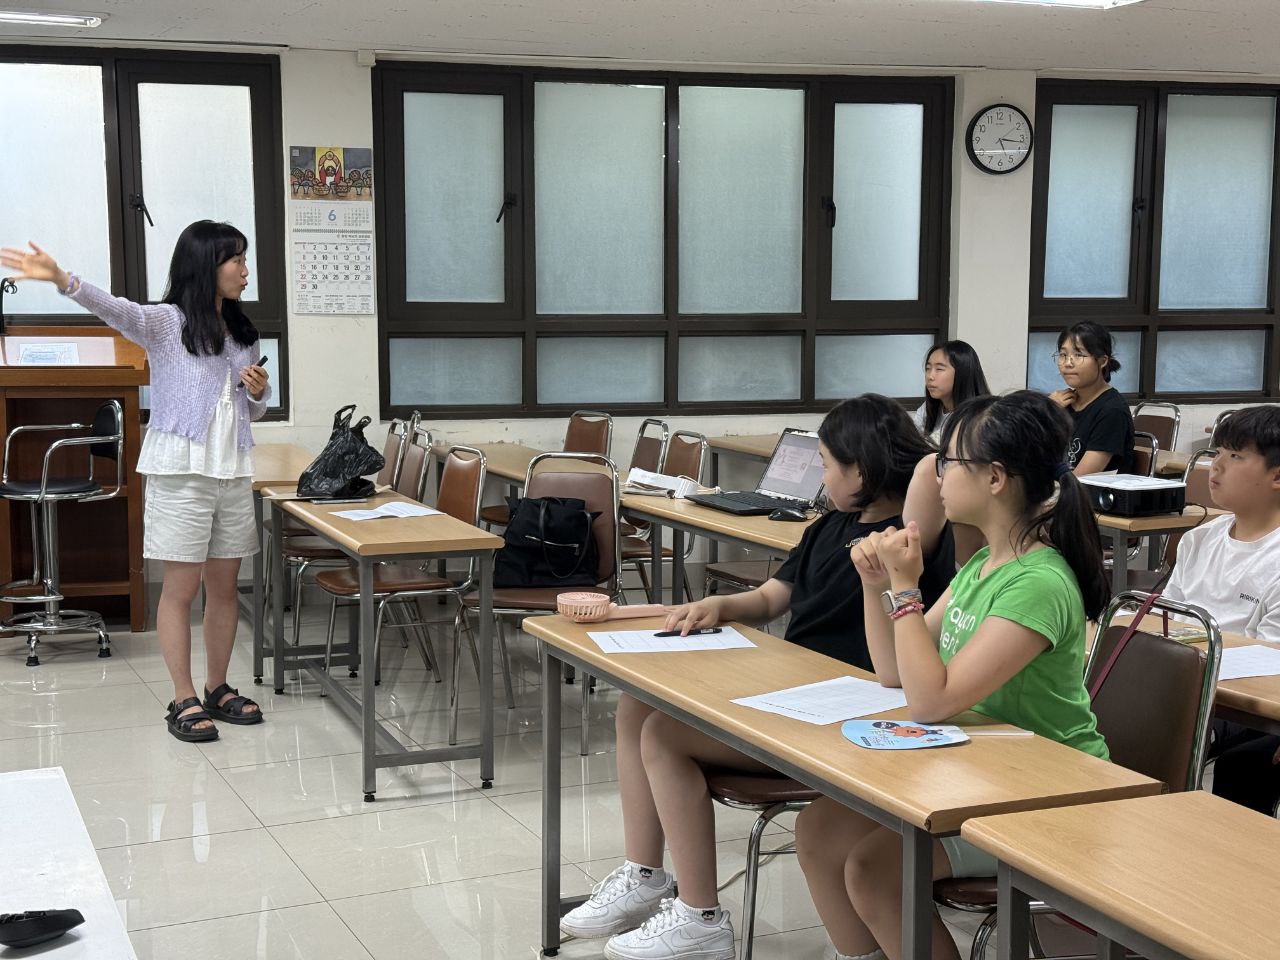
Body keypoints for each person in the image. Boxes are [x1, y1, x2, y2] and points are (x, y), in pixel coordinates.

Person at [560, 395, 954, 960]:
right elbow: (777, 595)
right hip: (803, 689)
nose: (819, 476)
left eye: (825, 463)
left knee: (664, 735)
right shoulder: (830, 527)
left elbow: (927, 475)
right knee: (635, 707)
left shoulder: (908, 544)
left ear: (860, 469)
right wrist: (723, 606)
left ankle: (699, 915)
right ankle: (644, 874)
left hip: (853, 707)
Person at [795, 390, 1110, 960]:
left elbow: (930, 703)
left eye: (949, 462)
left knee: (873, 870)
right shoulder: (983, 565)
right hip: (979, 771)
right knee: (819, 831)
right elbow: (894, 672)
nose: (935, 474)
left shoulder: (1037, 582)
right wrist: (876, 586)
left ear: (994, 478)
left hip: (1048, 793)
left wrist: (907, 589)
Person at [1, 223, 271, 743]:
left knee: (224, 589)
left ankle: (218, 687)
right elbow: (114, 308)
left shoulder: (244, 333)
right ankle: (182, 696)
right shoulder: (167, 324)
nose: (244, 268)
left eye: (244, 258)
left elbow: (249, 411)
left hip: (231, 471)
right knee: (182, 588)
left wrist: (257, 393)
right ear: (205, 265)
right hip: (179, 473)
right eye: (235, 259)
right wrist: (62, 278)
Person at [1162, 405, 1280, 815]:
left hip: (1234, 700)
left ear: (1277, 476)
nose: (1216, 466)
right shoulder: (1201, 539)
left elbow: (1266, 666)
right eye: (1218, 453)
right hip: (1185, 682)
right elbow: (1164, 618)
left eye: (1236, 456)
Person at [1048, 321, 1135, 476]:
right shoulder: (1062, 403)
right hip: (1058, 489)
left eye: (1079, 355)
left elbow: (1078, 480)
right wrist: (1047, 411)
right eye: (1063, 355)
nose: (1068, 363)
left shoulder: (1112, 411)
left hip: (1087, 496)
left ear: (1102, 361)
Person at [911, 340, 991, 444]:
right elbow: (910, 438)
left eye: (939, 369)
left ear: (962, 372)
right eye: (928, 368)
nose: (930, 376)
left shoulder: (981, 416)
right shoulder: (929, 407)